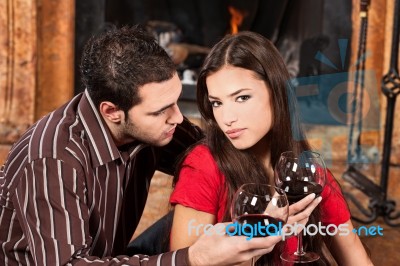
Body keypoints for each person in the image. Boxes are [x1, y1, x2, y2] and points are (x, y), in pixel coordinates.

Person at [0, 25, 317, 266]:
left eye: (177, 100)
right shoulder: (52, 159)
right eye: (160, 111)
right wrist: (193, 258)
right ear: (112, 112)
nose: (178, 118)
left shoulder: (153, 124)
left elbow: (214, 153)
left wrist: (270, 203)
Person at [169, 31, 373, 265]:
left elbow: (356, 257)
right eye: (217, 102)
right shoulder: (204, 165)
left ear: (278, 93)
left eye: (242, 98)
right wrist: (264, 239)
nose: (227, 118)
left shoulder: (305, 172)